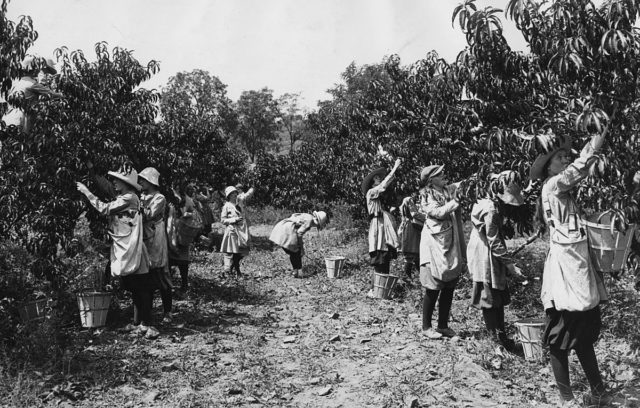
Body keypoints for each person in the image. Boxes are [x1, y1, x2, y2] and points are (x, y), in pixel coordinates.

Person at [530, 130, 611, 407]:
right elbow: (579, 170)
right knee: (560, 335)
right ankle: (567, 398)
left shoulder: (565, 195)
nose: (565, 160)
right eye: (560, 158)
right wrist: (597, 140)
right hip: (565, 271)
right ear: (548, 167)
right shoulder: (553, 185)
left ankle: (598, 391)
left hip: (577, 267)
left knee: (583, 334)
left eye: (566, 156)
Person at [76, 166, 159, 339]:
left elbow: (104, 208)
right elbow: (107, 190)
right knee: (136, 287)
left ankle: (146, 323)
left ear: (125, 183)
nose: (114, 182)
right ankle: (138, 323)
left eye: (117, 180)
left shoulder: (129, 197)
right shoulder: (126, 197)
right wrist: (93, 172)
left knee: (141, 287)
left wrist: (86, 192)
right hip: (129, 247)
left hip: (133, 248)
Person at [467, 170, 525, 349]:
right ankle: (495, 340)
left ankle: (501, 336)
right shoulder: (490, 208)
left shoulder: (486, 201)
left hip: (485, 247)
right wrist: (510, 265)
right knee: (490, 296)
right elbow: (493, 239)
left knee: (496, 295)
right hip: (485, 250)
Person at [418, 164, 467, 339]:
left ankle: (443, 325)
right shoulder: (426, 195)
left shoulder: (447, 190)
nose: (444, 175)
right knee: (433, 285)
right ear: (431, 180)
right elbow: (437, 212)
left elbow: (462, 184)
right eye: (440, 174)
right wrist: (457, 201)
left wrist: (478, 177)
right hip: (434, 243)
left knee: (449, 284)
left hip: (448, 242)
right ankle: (426, 326)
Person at [138, 167, 173, 324]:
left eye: (143, 180)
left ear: (151, 181)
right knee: (146, 274)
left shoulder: (159, 198)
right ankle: (147, 313)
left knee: (160, 272)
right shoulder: (141, 196)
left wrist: (138, 206)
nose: (140, 183)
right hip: (144, 235)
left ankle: (168, 311)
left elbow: (149, 215)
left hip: (156, 235)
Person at [362, 158, 402, 297]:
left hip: (381, 226)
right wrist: (395, 168)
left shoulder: (377, 197)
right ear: (373, 182)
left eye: (379, 178)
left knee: (384, 257)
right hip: (377, 226)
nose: (379, 179)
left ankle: (381, 289)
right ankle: (375, 289)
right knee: (379, 257)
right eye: (377, 178)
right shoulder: (371, 192)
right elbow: (383, 186)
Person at [2, 55, 63, 133]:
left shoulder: (17, 82)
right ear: (34, 70)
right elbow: (52, 94)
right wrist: (63, 95)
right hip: (21, 119)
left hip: (7, 117)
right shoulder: (32, 84)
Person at [269, 211, 329, 278]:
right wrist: (302, 248)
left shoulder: (309, 217)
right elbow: (299, 233)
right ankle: (299, 273)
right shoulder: (309, 221)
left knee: (294, 252)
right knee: (297, 251)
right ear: (317, 222)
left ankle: (296, 272)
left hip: (283, 227)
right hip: (286, 230)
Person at [168, 184, 198, 292]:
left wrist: (186, 214)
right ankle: (169, 283)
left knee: (183, 259)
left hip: (183, 230)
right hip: (171, 228)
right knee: (169, 257)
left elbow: (194, 213)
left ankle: (184, 283)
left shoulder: (187, 199)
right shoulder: (169, 195)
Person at [220, 185, 254, 278]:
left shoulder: (239, 203)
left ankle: (231, 267)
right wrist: (233, 220)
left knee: (243, 251)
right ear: (229, 196)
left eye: (235, 193)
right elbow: (223, 220)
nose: (235, 195)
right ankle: (237, 271)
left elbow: (247, 195)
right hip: (232, 230)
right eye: (232, 194)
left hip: (242, 230)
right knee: (235, 251)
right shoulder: (227, 206)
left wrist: (252, 188)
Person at [397, 192, 425, 284]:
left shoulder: (410, 200)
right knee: (411, 253)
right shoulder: (408, 200)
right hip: (411, 227)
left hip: (412, 227)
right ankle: (407, 278)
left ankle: (422, 278)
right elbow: (414, 214)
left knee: (416, 255)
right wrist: (428, 218)